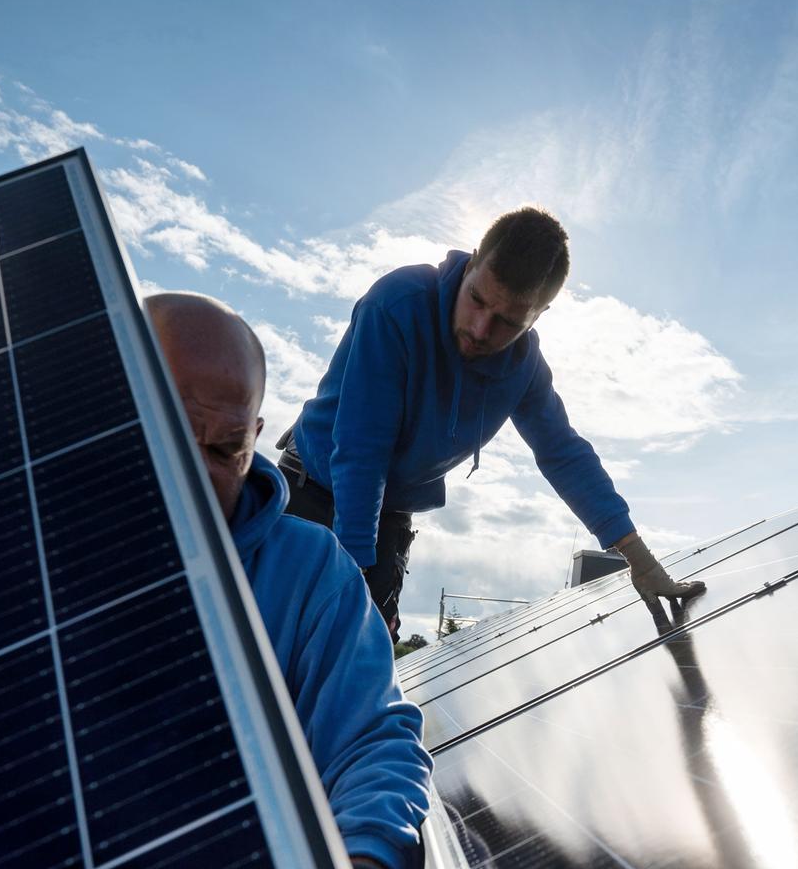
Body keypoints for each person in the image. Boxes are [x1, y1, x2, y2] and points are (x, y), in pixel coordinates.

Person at [145, 292, 430, 869]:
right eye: (176, 435)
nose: (202, 475)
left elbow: (371, 740)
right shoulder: (9, 550)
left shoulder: (310, 574)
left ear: (258, 435)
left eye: (226, 448)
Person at [277, 207, 705, 639]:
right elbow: (362, 448)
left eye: (508, 321)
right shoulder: (397, 305)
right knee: (288, 645)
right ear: (473, 260)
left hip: (388, 514)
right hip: (312, 493)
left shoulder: (525, 367)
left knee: (361, 668)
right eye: (477, 300)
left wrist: (641, 560)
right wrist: (354, 578)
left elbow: (563, 453)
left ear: (539, 314)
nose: (481, 330)